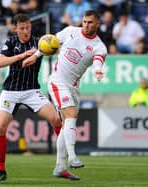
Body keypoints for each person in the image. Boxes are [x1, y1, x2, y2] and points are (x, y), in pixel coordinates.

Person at [0, 13, 75, 184]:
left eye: (28, 27)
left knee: (57, 120)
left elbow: (54, 47)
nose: (26, 31)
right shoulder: (11, 42)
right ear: (15, 29)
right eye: (22, 28)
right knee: (0, 127)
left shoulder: (40, 43)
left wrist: (56, 47)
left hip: (32, 91)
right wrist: (22, 56)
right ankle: (0, 170)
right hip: (10, 91)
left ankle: (61, 165)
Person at [23, 10, 107, 179]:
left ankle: (60, 167)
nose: (86, 25)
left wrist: (98, 71)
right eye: (84, 21)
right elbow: (50, 42)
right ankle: (72, 156)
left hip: (74, 87)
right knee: (71, 114)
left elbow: (98, 60)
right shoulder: (70, 31)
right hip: (57, 81)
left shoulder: (100, 46)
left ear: (98, 24)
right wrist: (36, 55)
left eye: (90, 22)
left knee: (66, 123)